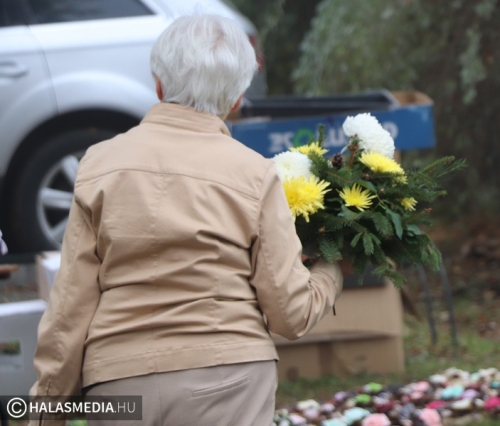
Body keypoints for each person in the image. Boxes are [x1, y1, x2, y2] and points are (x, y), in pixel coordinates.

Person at [29, 14, 345, 426]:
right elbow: (290, 313)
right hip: (228, 376)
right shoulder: (254, 174)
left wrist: (45, 413)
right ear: (237, 98)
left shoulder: (99, 165)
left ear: (159, 85)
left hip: (119, 380)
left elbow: (69, 310)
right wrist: (331, 270)